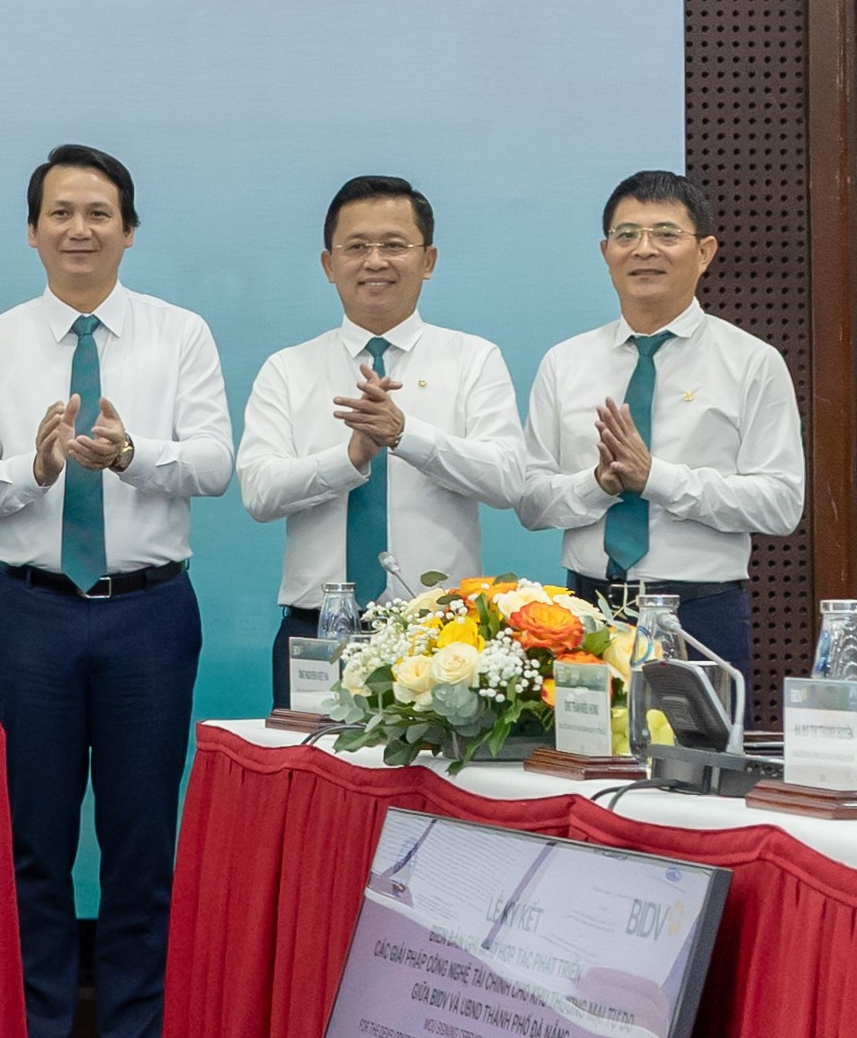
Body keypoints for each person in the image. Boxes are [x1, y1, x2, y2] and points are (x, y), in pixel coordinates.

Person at [0, 144, 230, 1038]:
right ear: (32, 231)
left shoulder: (179, 334)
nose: (78, 228)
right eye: (59, 212)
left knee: (142, 836)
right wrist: (31, 469)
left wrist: (133, 454)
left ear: (128, 229)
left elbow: (215, 463)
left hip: (149, 609)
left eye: (98, 212)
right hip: (34, 611)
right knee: (33, 835)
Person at [239, 176, 527, 706]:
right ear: (329, 265)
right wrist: (349, 459)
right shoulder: (288, 368)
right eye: (356, 247)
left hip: (440, 634)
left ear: (428, 259)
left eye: (394, 245)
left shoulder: (473, 359)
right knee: (314, 762)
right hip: (317, 631)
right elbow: (259, 493)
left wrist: (405, 434)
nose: (375, 261)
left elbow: (508, 480)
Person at [518, 169, 804, 689]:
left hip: (699, 613)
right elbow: (532, 503)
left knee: (697, 746)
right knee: (580, 744)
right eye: (627, 234)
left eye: (666, 234)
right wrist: (598, 484)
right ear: (606, 252)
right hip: (584, 612)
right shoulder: (565, 362)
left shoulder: (752, 362)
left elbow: (781, 504)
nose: (644, 249)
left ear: (704, 252)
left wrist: (657, 479)